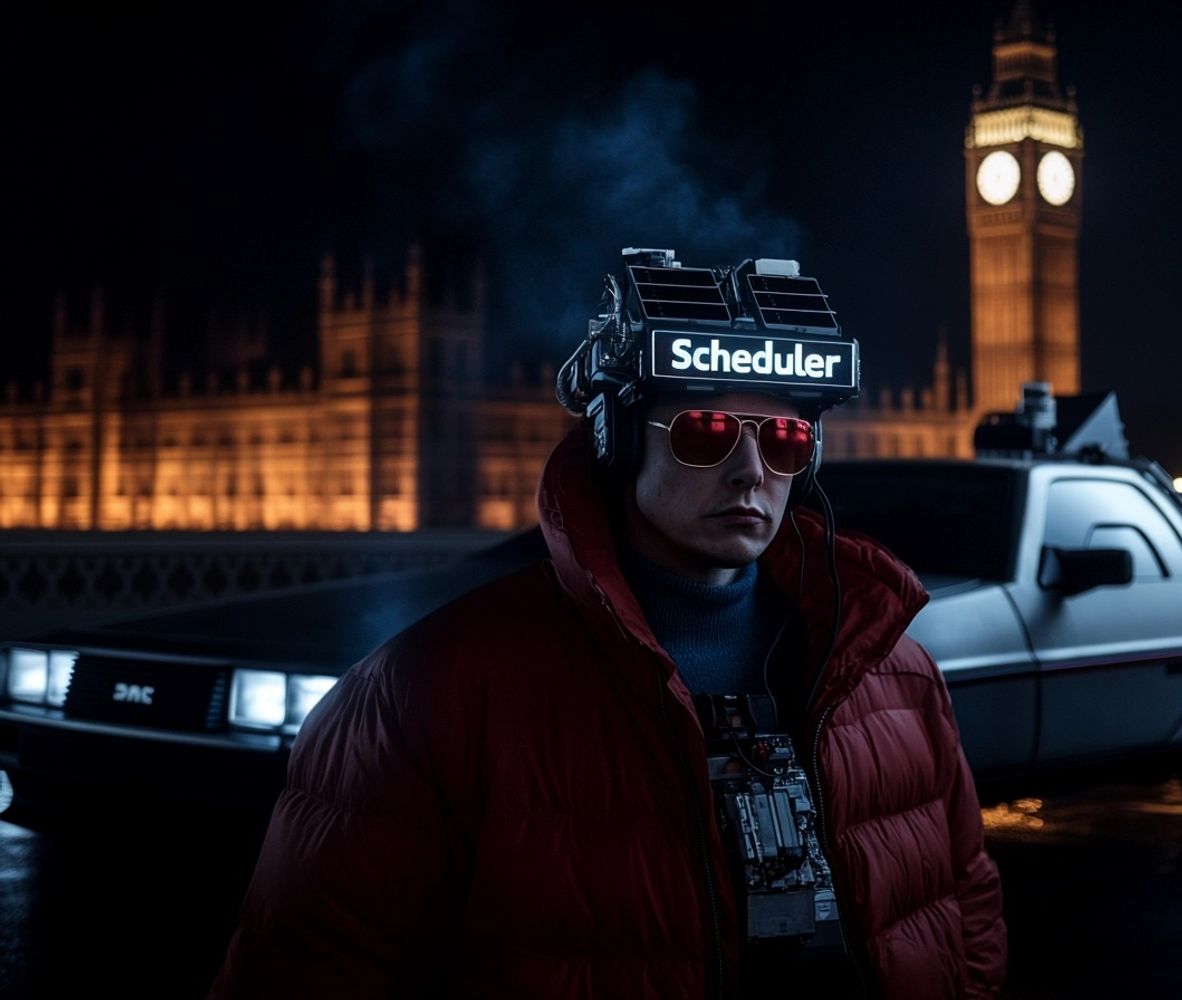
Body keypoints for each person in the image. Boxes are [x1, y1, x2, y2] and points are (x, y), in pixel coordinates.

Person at [210, 250, 1006, 998]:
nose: (751, 471)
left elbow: (964, 908)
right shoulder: (430, 690)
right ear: (617, 442)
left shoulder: (893, 675)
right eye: (707, 433)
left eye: (786, 439)